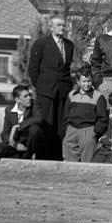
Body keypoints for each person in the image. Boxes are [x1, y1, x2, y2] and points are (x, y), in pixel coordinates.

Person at [25, 15, 74, 160]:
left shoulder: (69, 45)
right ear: (51, 27)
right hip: (46, 91)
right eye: (59, 25)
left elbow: (67, 68)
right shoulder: (41, 44)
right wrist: (40, 86)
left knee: (60, 125)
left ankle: (56, 156)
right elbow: (33, 69)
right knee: (46, 124)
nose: (62, 28)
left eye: (64, 25)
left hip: (63, 90)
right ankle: (43, 156)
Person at [61, 67, 106, 163]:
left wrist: (95, 132)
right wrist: (66, 129)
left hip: (88, 130)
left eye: (89, 81)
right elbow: (66, 114)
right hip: (71, 130)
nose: (87, 84)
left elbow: (102, 118)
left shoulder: (98, 96)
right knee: (70, 161)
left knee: (87, 162)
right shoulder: (72, 95)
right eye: (84, 81)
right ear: (78, 82)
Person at [0, 84, 37, 162]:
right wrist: (14, 145)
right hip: (15, 144)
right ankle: (18, 156)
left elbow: (38, 118)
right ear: (17, 100)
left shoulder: (34, 106)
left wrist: (19, 126)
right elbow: (4, 133)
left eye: (29, 95)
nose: (29, 98)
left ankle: (25, 155)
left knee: (35, 129)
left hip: (30, 143)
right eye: (25, 96)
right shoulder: (9, 110)